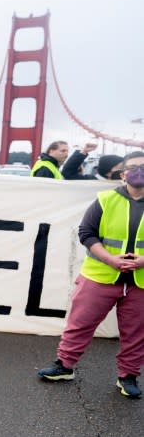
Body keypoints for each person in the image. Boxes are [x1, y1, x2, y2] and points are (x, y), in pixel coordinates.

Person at [38, 151, 144, 398]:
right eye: (134, 167)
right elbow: (87, 233)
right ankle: (64, 366)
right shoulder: (105, 199)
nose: (139, 171)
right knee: (80, 323)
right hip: (100, 275)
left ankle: (128, 376)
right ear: (123, 173)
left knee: (137, 332)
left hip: (140, 281)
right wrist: (110, 259)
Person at [31, 141, 97, 179]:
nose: (66, 154)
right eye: (63, 151)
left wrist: (83, 151)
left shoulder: (50, 165)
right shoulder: (45, 168)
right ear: (51, 151)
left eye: (67, 151)